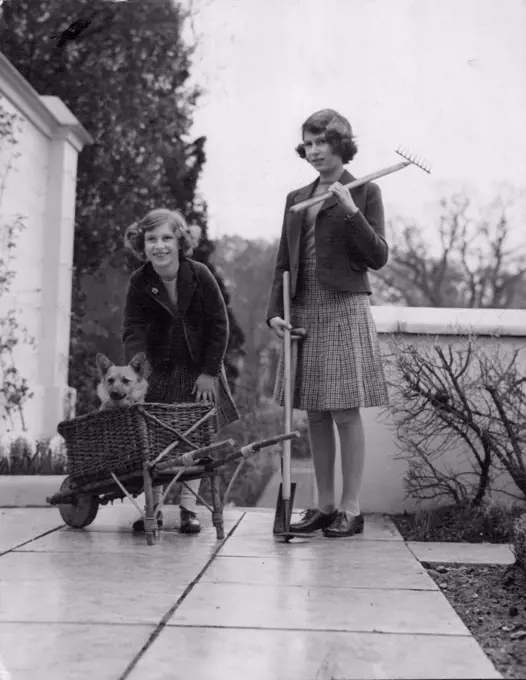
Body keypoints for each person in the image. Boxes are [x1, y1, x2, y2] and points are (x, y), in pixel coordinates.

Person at [266, 109, 389, 538]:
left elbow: (377, 256)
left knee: (343, 409)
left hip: (343, 305)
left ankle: (351, 510)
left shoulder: (365, 190)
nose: (314, 151)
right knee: (314, 411)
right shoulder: (296, 196)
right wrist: (274, 313)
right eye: (309, 143)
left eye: (322, 142)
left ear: (341, 145)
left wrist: (352, 210)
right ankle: (323, 505)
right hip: (303, 306)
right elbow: (284, 260)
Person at [123, 208, 239, 534]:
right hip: (157, 371)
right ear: (142, 244)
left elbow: (219, 324)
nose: (159, 246)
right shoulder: (139, 281)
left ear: (180, 241)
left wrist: (210, 371)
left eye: (166, 238)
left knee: (194, 439)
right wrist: (136, 371)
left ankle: (189, 510)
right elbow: (133, 327)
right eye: (151, 239)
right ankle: (155, 508)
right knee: (156, 439)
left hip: (199, 370)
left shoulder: (199, 274)